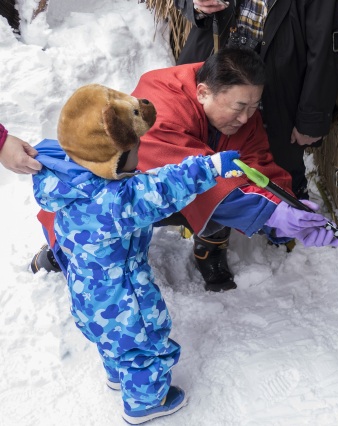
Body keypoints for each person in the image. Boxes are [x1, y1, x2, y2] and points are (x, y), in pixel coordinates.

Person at [33, 47, 338, 293]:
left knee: (229, 182)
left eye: (253, 107)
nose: (247, 118)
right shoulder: (162, 103)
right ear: (204, 92)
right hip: (127, 193)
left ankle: (210, 247)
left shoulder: (239, 114)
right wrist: (271, 215)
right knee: (91, 233)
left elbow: (257, 163)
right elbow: (196, 179)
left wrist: (286, 204)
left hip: (176, 190)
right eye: (239, 108)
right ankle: (60, 253)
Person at [31, 83, 246, 424]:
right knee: (144, 342)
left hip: (86, 290)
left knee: (110, 337)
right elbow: (159, 189)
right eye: (134, 150)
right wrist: (210, 167)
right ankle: (146, 402)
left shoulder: (67, 179)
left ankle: (117, 374)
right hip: (123, 294)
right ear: (110, 158)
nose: (139, 154)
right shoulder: (114, 202)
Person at [174, 0, 338, 200]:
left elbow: (323, 47)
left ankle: (288, 222)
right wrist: (195, 5)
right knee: (203, 163)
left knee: (281, 176)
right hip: (214, 76)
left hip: (278, 93)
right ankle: (213, 225)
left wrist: (311, 118)